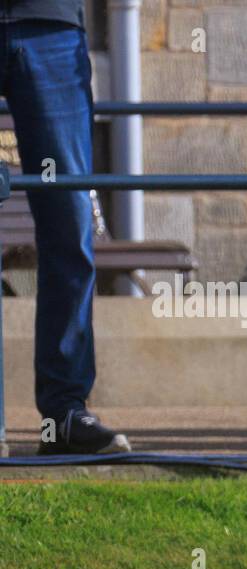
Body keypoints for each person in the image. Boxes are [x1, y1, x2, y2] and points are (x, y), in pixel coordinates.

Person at [2, 5, 129, 453]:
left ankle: (64, 415)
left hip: (51, 25)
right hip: (51, 30)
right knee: (67, 226)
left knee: (68, 224)